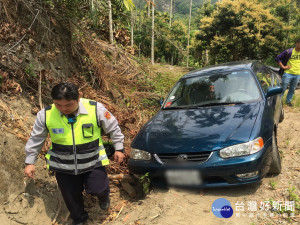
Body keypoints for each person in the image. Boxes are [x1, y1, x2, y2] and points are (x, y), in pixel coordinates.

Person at [24, 83, 125, 225]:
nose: (63, 109)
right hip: (63, 165)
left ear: (78, 99)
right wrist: (30, 162)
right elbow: (36, 139)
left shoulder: (95, 109)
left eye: (68, 105)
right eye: (58, 105)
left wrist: (119, 148)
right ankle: (79, 219)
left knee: (98, 188)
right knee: (71, 197)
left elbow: (113, 128)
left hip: (93, 161)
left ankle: (103, 197)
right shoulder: (46, 115)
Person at [275, 38, 300, 106]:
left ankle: (288, 101)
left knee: (292, 89)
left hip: (298, 74)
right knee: (283, 88)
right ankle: (278, 102)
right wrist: (283, 67)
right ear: (297, 43)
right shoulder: (289, 51)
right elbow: (277, 58)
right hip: (288, 73)